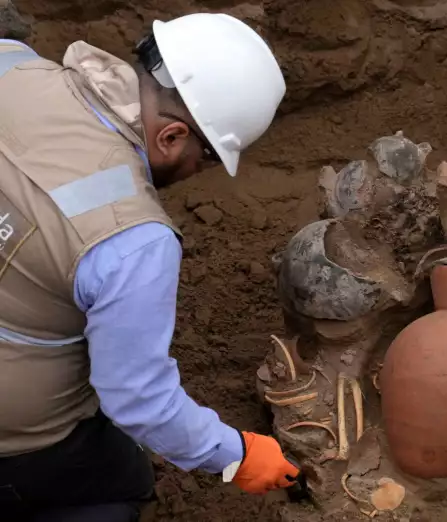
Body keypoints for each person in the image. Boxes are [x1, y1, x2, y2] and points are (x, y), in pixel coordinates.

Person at [0, 12, 299, 522]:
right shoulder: (132, 239)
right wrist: (240, 455)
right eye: (205, 158)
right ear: (171, 137)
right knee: (117, 481)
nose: (197, 172)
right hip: (18, 439)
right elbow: (139, 401)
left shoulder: (12, 64)